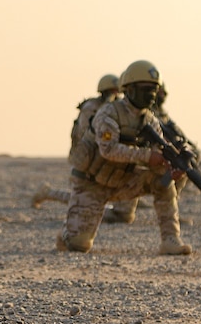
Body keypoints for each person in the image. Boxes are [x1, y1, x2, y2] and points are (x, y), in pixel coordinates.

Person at [58, 60, 192, 255]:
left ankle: (171, 239)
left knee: (163, 181)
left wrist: (172, 167)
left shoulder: (150, 120)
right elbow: (108, 150)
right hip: (92, 183)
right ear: (129, 89)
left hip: (122, 181)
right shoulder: (109, 113)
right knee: (79, 245)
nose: (151, 94)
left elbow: (158, 154)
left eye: (154, 89)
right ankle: (66, 236)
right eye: (146, 89)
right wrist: (147, 156)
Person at [32, 73, 139, 221]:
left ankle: (121, 207)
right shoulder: (91, 108)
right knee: (85, 199)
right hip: (88, 158)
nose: (116, 96)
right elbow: (86, 135)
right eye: (112, 92)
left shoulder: (115, 109)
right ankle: (48, 193)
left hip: (104, 155)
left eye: (117, 92)